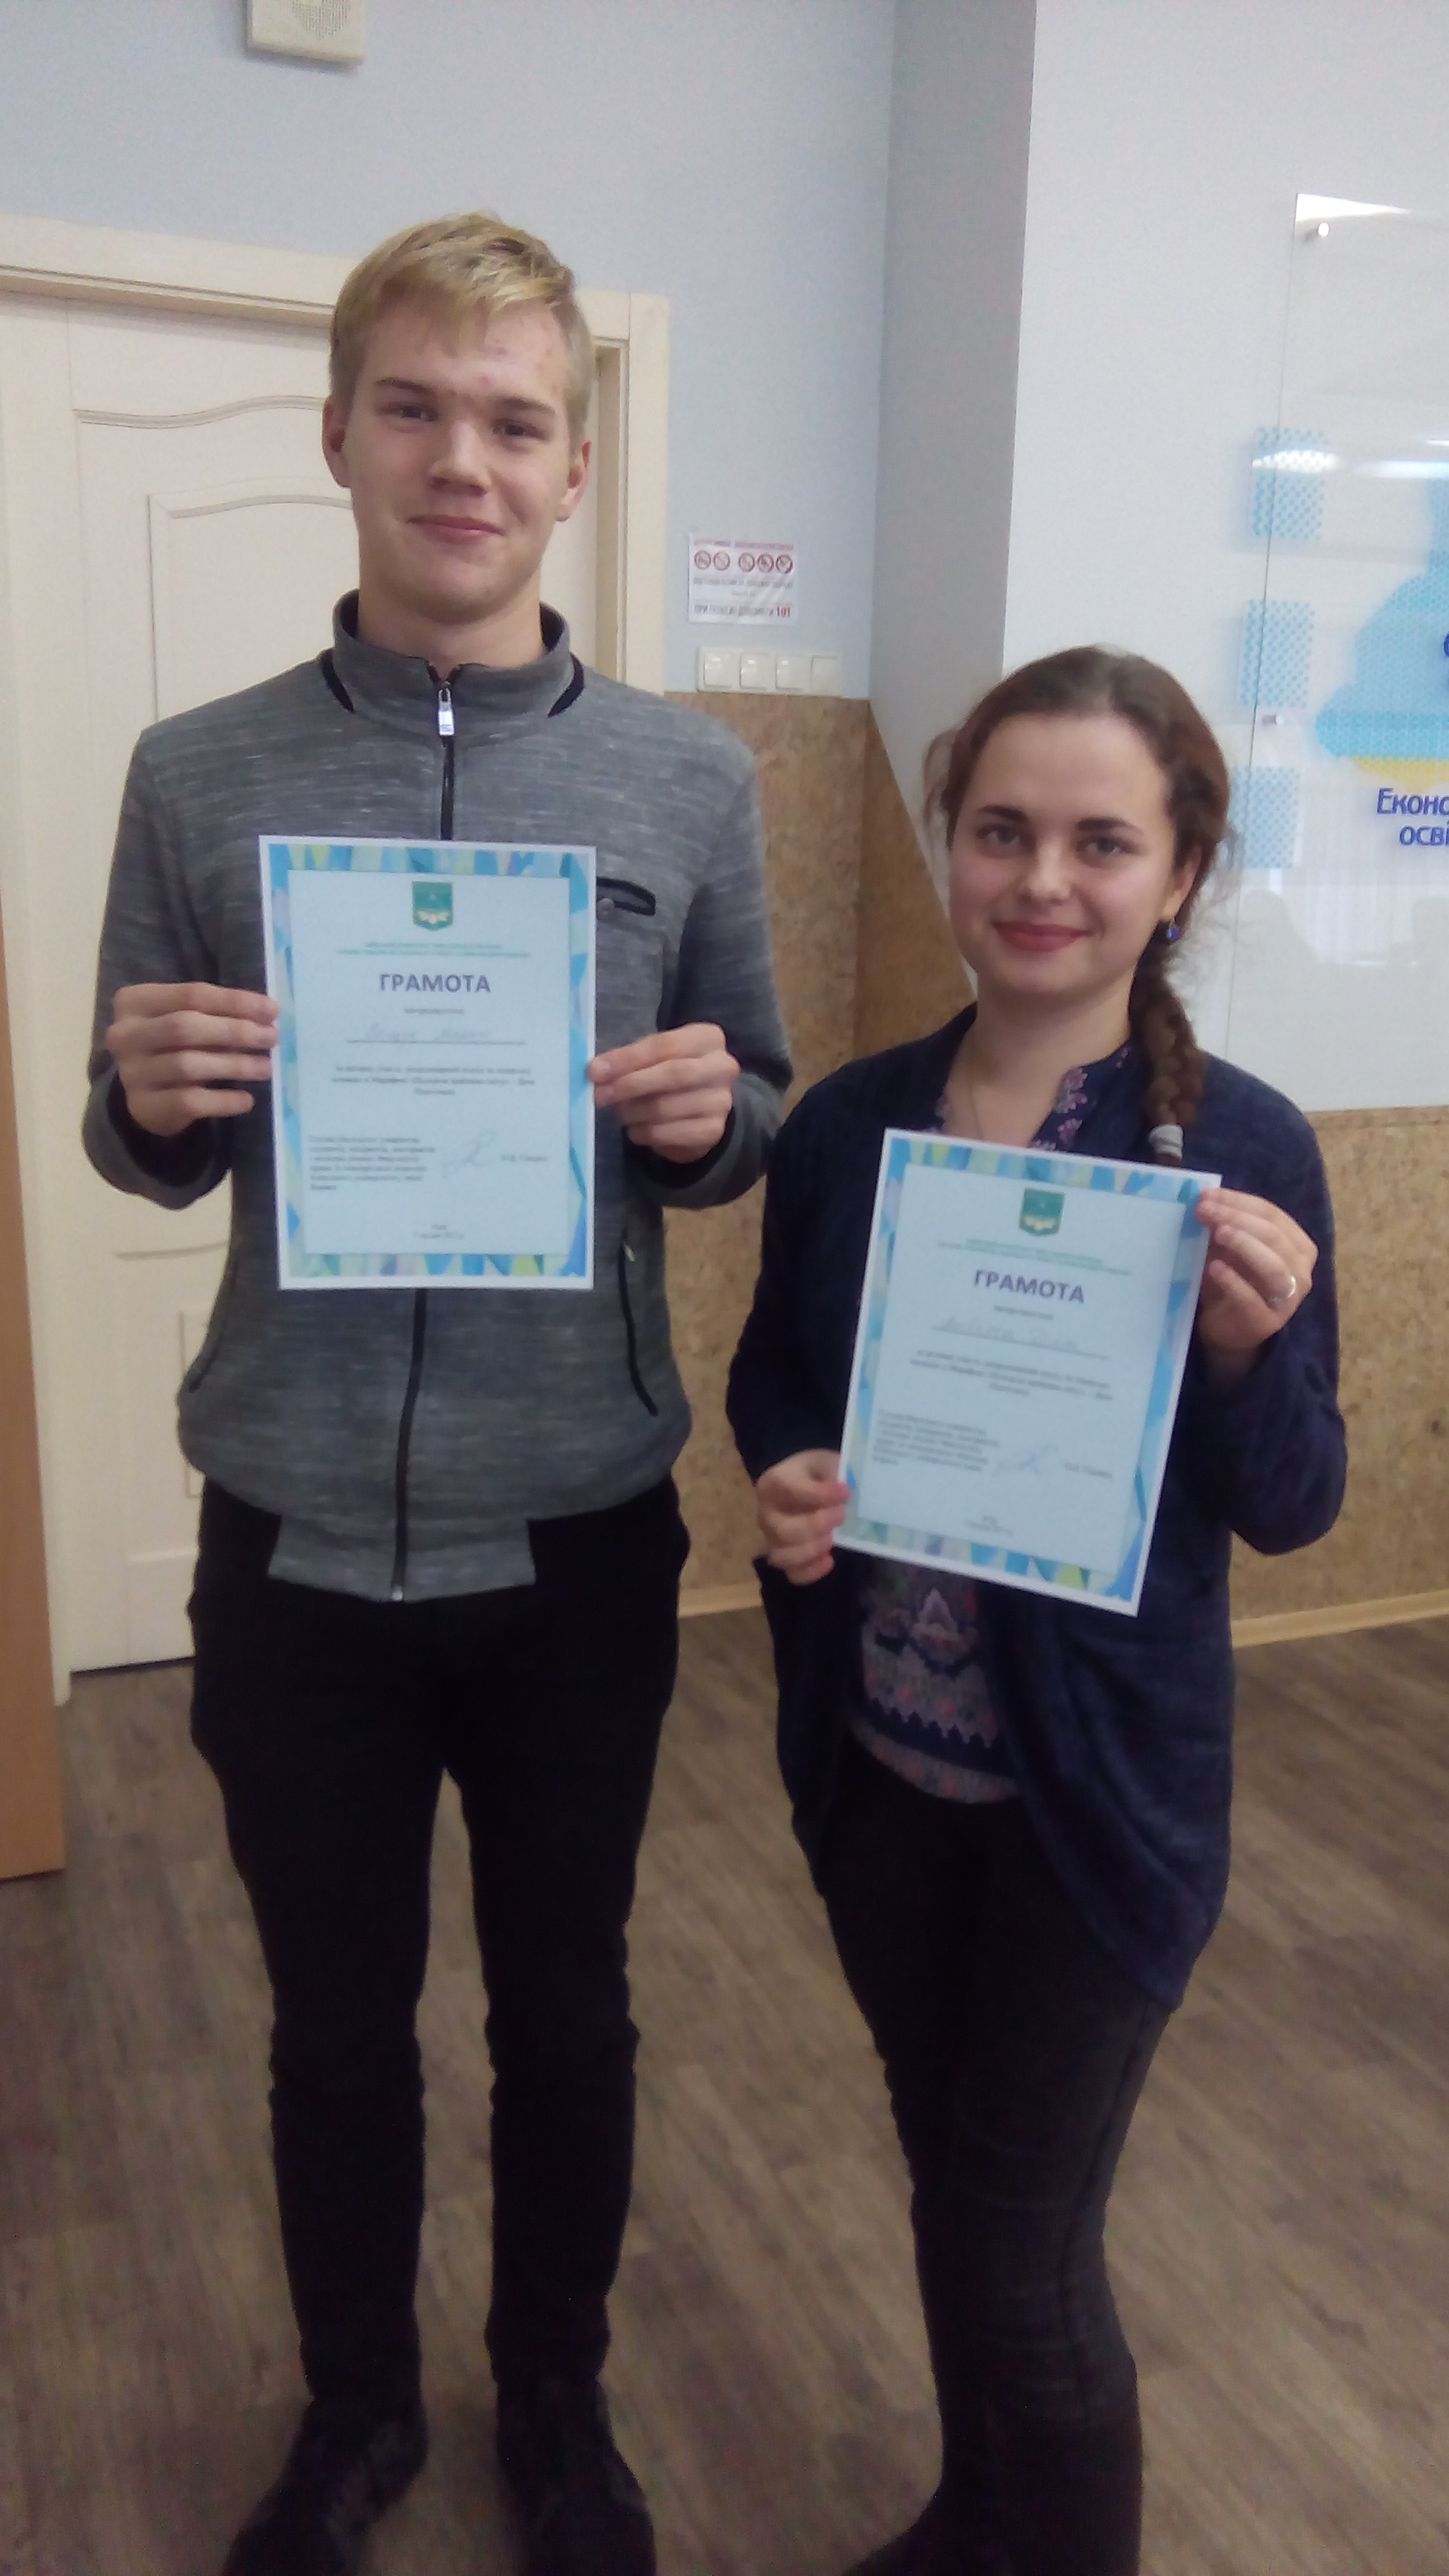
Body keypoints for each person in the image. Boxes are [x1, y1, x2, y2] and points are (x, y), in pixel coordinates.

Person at [84, 212, 790, 2576]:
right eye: (415, 407)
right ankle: (359, 2414)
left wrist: (709, 1118)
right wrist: (151, 1097)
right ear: (339, 435)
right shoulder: (197, 773)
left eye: (512, 421)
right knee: (333, 2025)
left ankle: (557, 2408)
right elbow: (138, 1139)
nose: (461, 460)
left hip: (577, 1527)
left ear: (574, 466)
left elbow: (759, 1104)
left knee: (568, 2012)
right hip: (292, 1533)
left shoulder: (687, 783)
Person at [726, 647, 1346, 2576]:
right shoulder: (852, 1126)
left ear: (1181, 873)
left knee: (1022, 2253)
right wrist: (790, 1473)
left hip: (1098, 1811)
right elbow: (776, 1375)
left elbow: (1297, 1503)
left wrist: (1247, 1361)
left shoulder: (1240, 1149)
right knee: (951, 2184)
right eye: (1002, 832)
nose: (1044, 881)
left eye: (1101, 841)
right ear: (949, 846)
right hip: (884, 1776)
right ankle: (978, 2518)